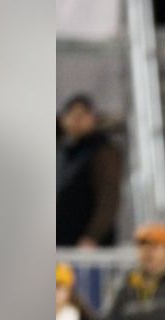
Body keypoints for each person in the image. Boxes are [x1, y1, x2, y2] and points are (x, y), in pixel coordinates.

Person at [57, 94, 122, 248]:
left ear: (92, 118)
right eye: (71, 116)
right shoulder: (63, 150)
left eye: (82, 116)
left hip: (88, 246)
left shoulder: (103, 152)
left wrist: (92, 237)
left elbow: (109, 198)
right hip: (63, 241)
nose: (76, 121)